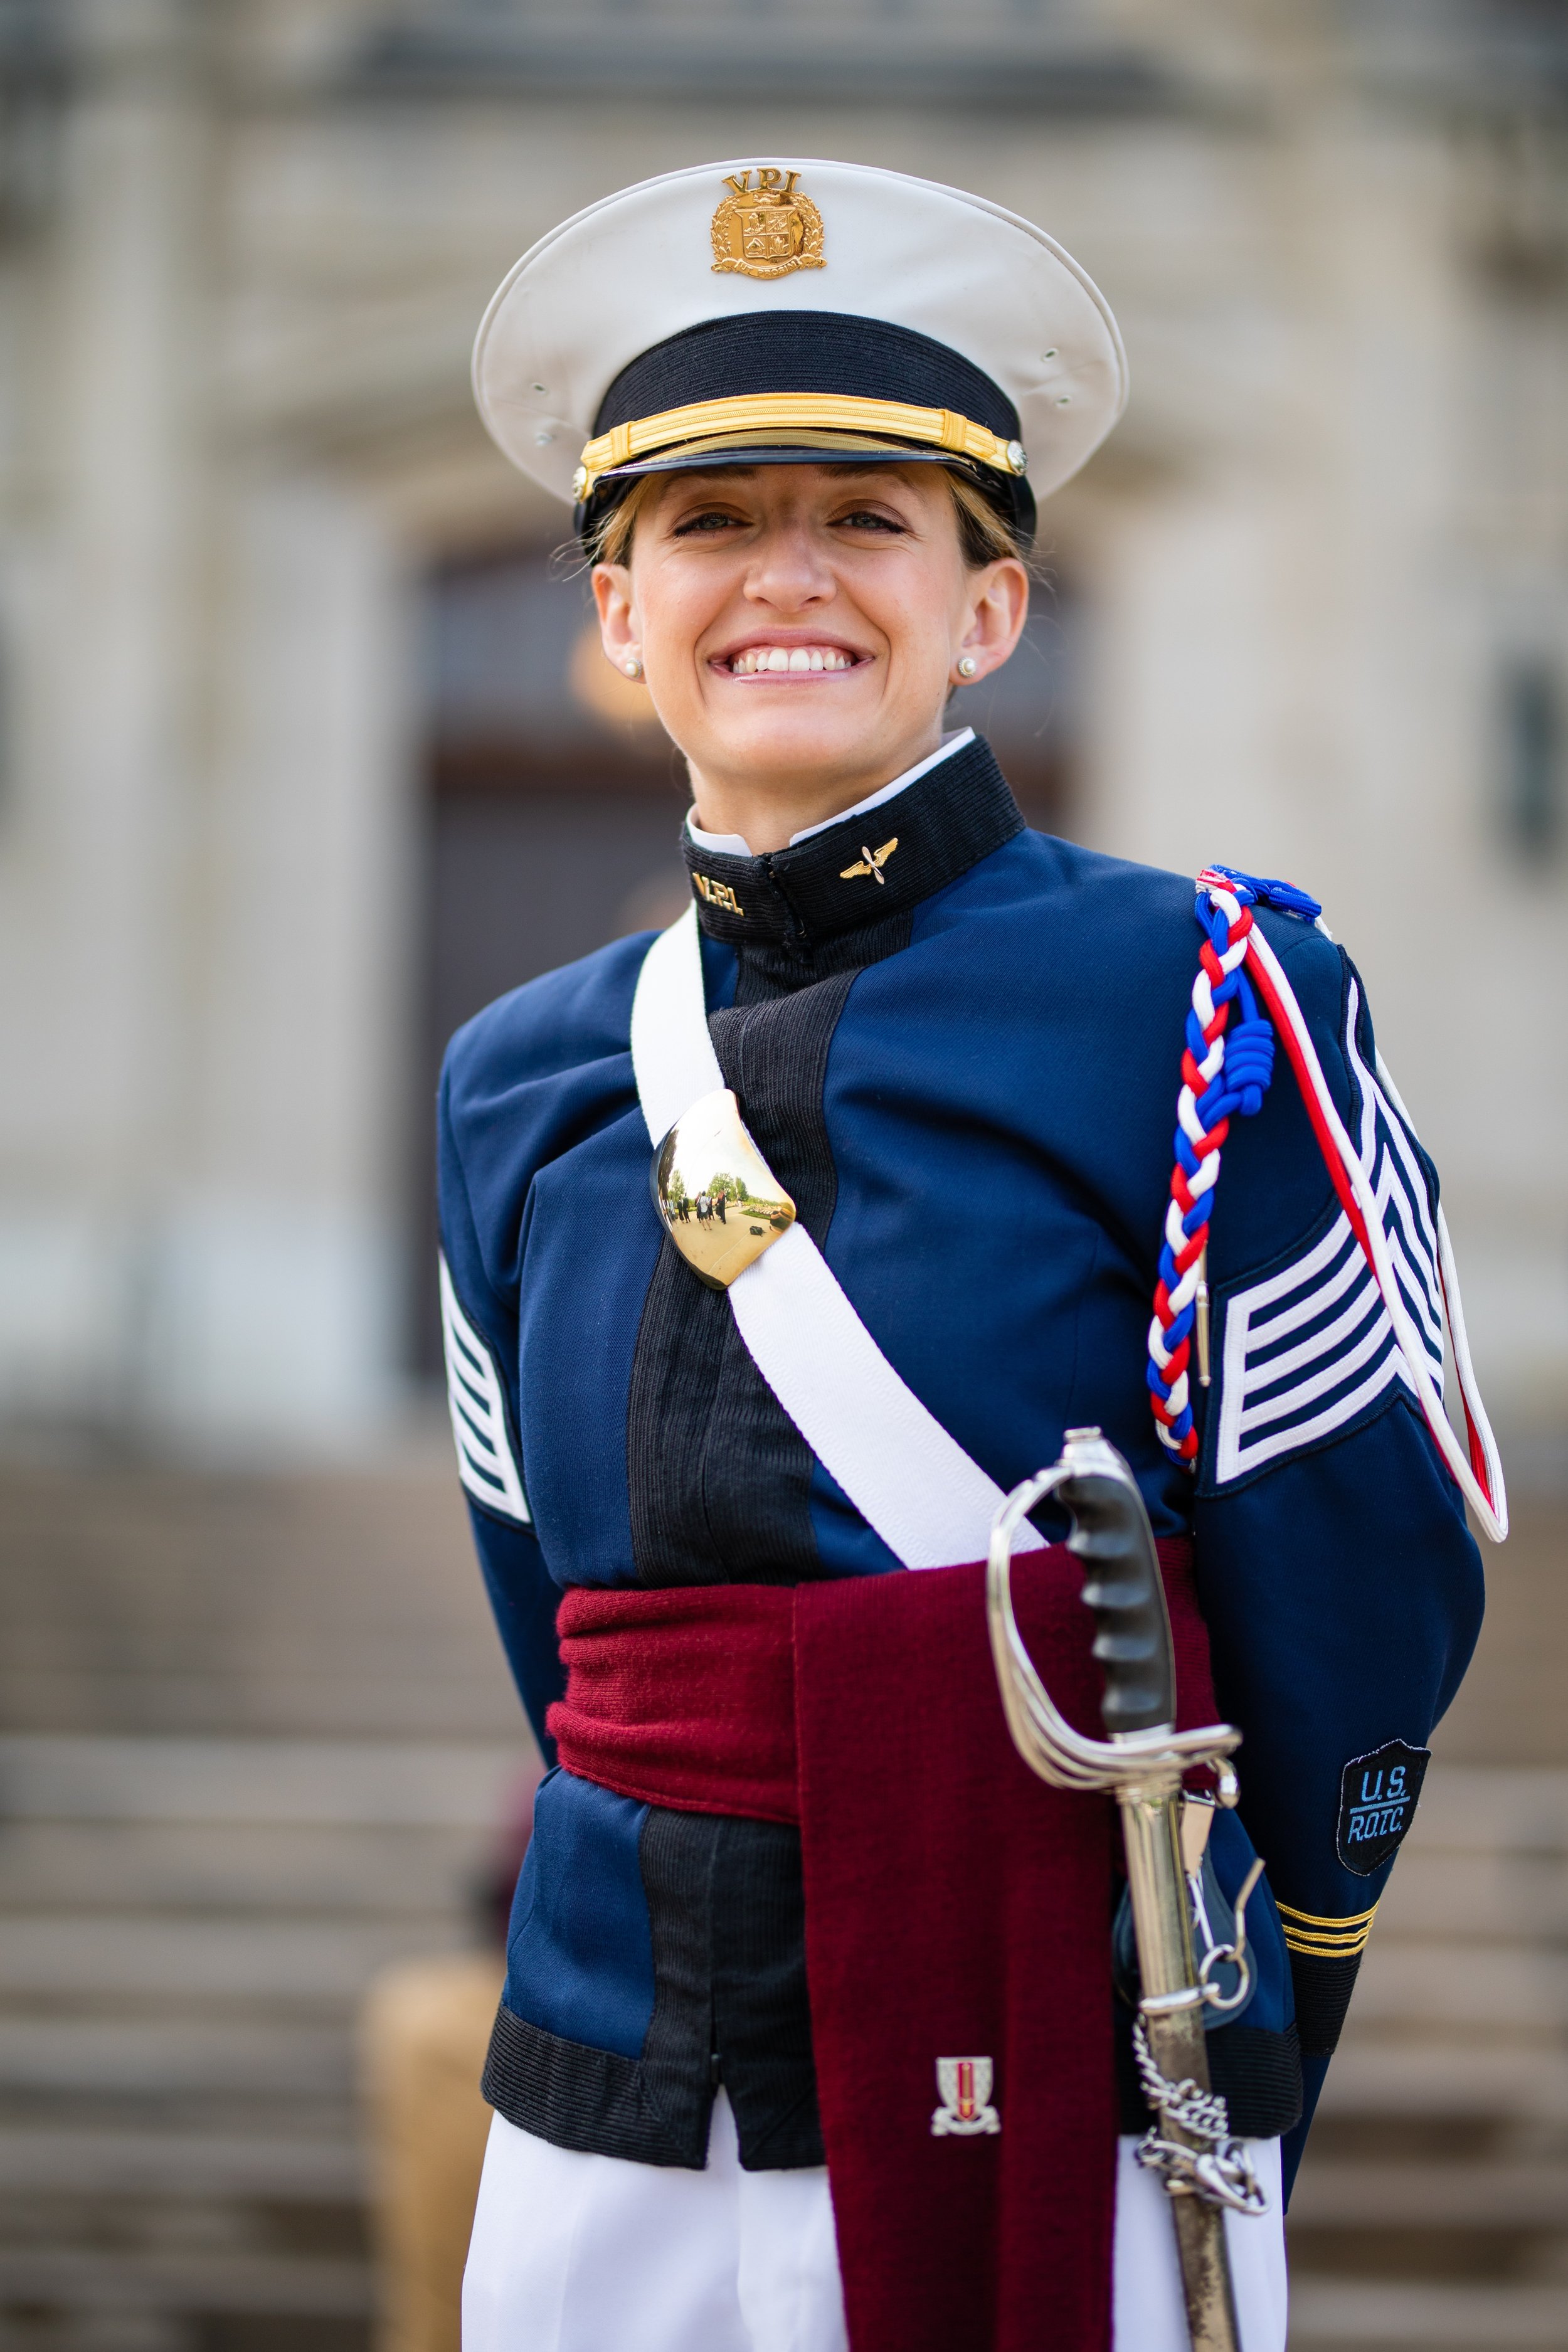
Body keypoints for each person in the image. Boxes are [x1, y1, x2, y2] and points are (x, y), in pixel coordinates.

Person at [437, 159, 1505, 2352]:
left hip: (1063, 2007)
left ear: (992, 607)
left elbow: (1364, 1546)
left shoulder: (1200, 990)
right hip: (607, 2034)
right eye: (710, 525)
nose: (787, 578)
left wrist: (1253, 1976)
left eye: (866, 518)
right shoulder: (512, 1072)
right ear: (620, 615)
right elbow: (542, 1592)